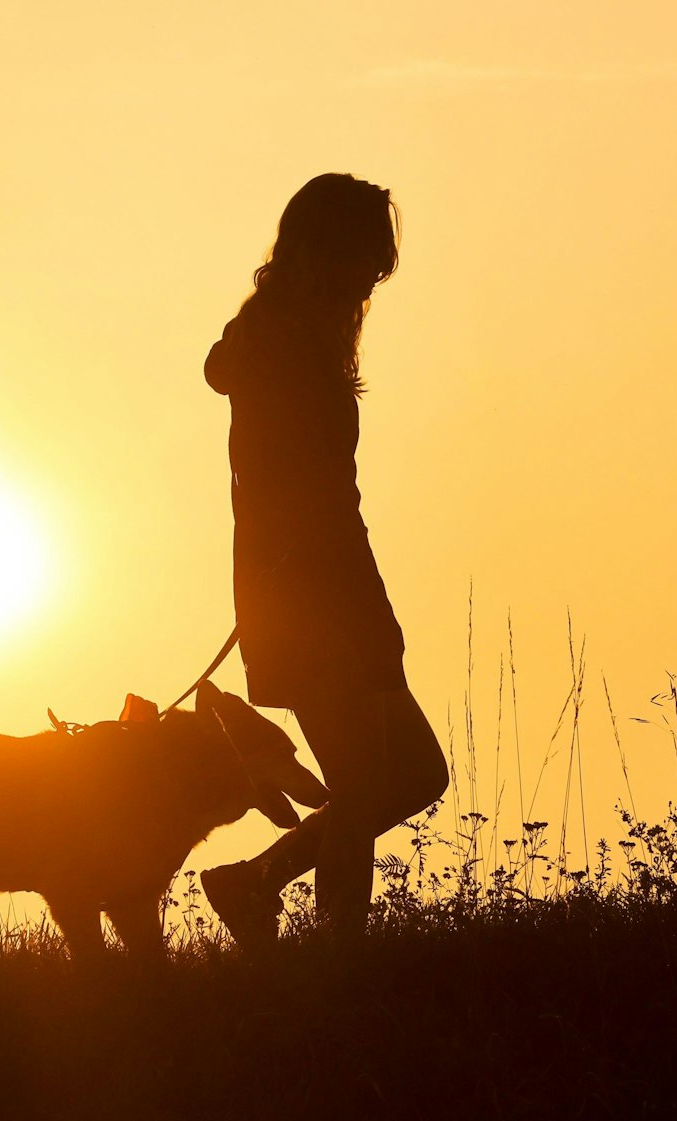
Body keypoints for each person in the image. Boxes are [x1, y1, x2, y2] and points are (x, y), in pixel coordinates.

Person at [198, 173, 448, 943]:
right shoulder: (278, 341)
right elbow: (288, 481)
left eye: (377, 269)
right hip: (310, 591)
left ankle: (254, 881)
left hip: (339, 582)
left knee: (414, 775)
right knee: (366, 783)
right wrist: (297, 578)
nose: (368, 282)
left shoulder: (294, 334)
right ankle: (339, 956)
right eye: (362, 263)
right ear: (322, 252)